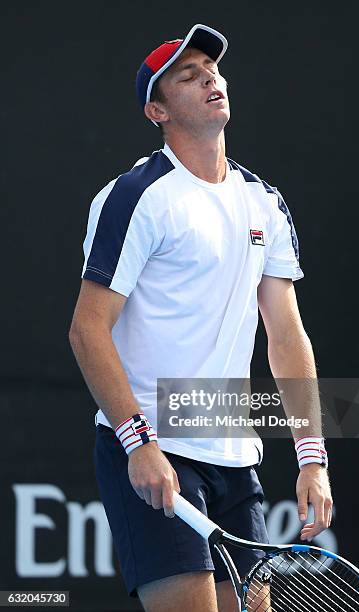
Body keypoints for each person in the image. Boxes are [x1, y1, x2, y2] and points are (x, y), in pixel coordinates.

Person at [69, 23, 333, 612]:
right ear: (156, 110)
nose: (209, 77)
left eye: (211, 69)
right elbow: (87, 330)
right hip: (152, 444)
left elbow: (286, 335)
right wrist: (138, 443)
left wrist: (312, 457)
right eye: (188, 75)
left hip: (235, 458)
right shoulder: (136, 197)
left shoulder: (265, 202)